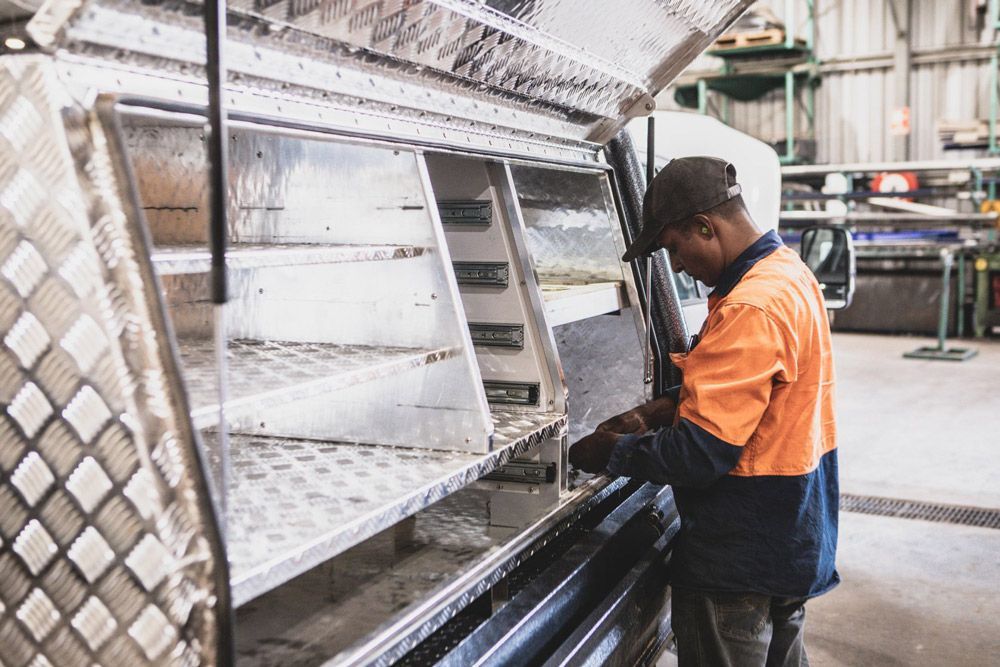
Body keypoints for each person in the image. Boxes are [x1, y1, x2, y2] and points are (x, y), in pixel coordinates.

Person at [569, 156, 838, 667]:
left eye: (674, 247)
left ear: (704, 226)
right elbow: (758, 398)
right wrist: (657, 411)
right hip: (794, 536)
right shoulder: (788, 276)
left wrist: (612, 451)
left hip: (740, 557)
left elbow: (699, 455)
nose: (675, 265)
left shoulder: (747, 308)